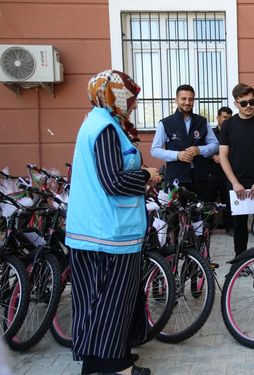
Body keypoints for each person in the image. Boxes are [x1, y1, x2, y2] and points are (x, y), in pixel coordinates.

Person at [65, 70, 161, 375]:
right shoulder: (104, 127)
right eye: (128, 97)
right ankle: (113, 368)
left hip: (99, 231)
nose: (131, 104)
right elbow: (114, 181)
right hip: (106, 235)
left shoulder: (98, 123)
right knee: (111, 302)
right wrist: (147, 176)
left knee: (103, 301)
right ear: (113, 94)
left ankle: (100, 362)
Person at [218, 83, 254, 255]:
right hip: (237, 186)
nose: (249, 106)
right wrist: (234, 183)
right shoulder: (228, 125)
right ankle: (240, 263)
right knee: (239, 227)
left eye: (252, 102)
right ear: (236, 103)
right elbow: (223, 156)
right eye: (244, 103)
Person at [150, 85, 219, 199]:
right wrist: (177, 155)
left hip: (200, 178)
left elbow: (215, 145)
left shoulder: (202, 121)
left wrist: (199, 150)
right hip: (176, 179)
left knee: (201, 215)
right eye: (183, 99)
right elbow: (155, 150)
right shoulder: (165, 123)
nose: (187, 102)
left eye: (190, 99)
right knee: (175, 215)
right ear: (176, 100)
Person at [211, 106, 234, 235]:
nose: (226, 120)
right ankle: (207, 227)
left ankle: (229, 227)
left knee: (228, 201)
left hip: (227, 173)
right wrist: (213, 156)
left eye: (229, 118)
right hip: (212, 172)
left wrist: (225, 157)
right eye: (224, 117)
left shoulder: (233, 132)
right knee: (209, 201)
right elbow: (204, 149)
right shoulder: (211, 133)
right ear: (218, 117)